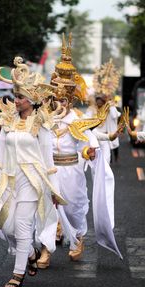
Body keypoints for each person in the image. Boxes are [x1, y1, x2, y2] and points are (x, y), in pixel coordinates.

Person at [0, 56, 66, 287]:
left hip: (32, 182)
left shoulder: (41, 125)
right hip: (9, 181)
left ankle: (18, 273)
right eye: (16, 96)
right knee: (5, 226)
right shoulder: (7, 121)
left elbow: (48, 161)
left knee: (23, 226)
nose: (17, 100)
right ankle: (31, 252)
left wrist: (55, 190)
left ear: (32, 100)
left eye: (21, 97)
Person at [37, 34, 122, 269]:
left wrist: (88, 153)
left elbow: (87, 144)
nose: (60, 102)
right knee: (47, 209)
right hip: (50, 170)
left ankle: (77, 239)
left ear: (71, 99)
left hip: (71, 170)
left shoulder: (77, 119)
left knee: (73, 209)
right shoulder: (45, 119)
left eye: (64, 99)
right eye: (57, 97)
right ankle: (46, 249)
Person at [86, 59, 122, 164]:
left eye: (101, 101)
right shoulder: (92, 109)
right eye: (98, 101)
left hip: (106, 138)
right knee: (95, 162)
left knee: (106, 161)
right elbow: (86, 120)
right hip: (95, 138)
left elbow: (115, 115)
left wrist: (110, 104)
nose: (99, 103)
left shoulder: (109, 109)